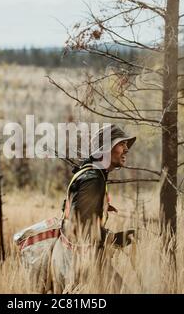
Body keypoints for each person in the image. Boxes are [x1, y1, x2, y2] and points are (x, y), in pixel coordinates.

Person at [50, 124, 136, 293]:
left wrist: (98, 206)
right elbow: (80, 226)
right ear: (105, 149)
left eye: (126, 144)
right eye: (121, 144)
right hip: (83, 262)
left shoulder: (89, 173)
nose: (126, 149)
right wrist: (113, 238)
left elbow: (74, 211)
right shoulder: (93, 178)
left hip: (78, 259)